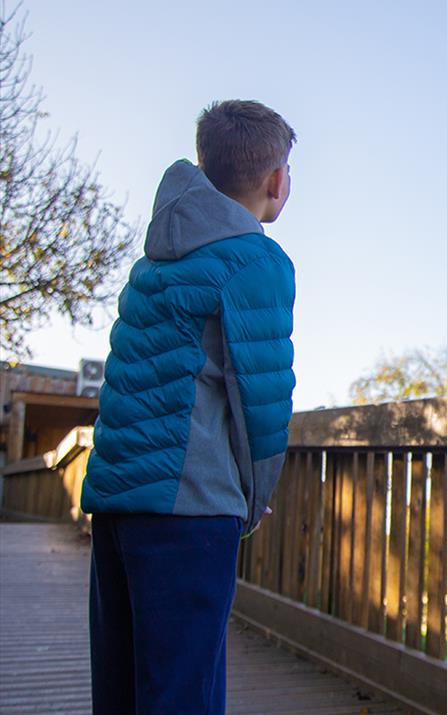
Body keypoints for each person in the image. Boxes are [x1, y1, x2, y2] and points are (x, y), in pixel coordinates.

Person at [80, 100, 297, 715]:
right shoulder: (256, 262)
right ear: (277, 181)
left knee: (121, 695)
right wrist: (253, 500)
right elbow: (262, 400)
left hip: (119, 503)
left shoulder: (155, 260)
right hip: (190, 510)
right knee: (181, 697)